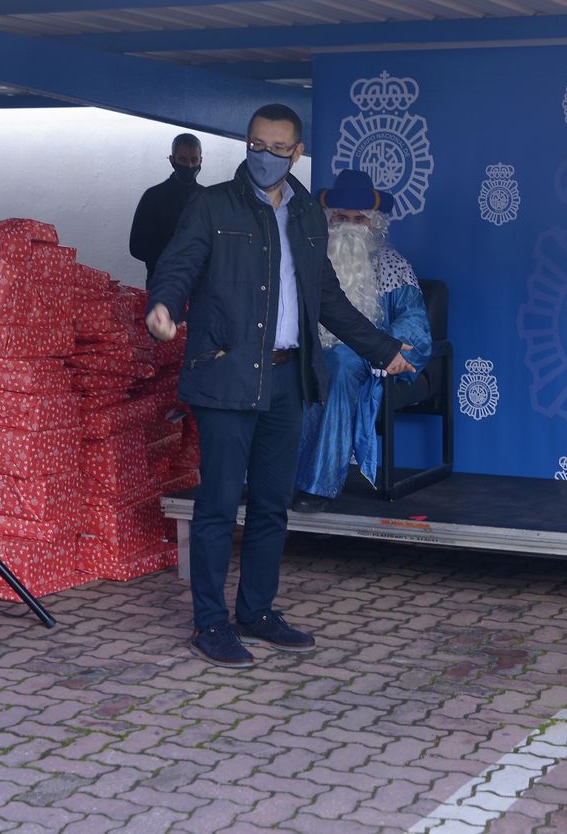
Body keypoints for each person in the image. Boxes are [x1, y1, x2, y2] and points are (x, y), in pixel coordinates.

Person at [146, 104, 417, 667]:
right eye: (256, 146)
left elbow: (328, 298)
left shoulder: (308, 214)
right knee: (220, 504)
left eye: (276, 148)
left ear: (296, 153)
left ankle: (256, 612)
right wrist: (164, 305)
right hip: (227, 372)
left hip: (289, 376)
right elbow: (179, 264)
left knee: (272, 504)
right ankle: (210, 624)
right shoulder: (213, 204)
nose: (264, 157)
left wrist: (383, 349)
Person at [292, 170, 433, 510]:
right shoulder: (310, 263)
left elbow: (414, 322)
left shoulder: (393, 266)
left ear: (374, 224)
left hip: (367, 362)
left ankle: (319, 485)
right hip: (312, 352)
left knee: (340, 363)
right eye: (341, 218)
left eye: (359, 219)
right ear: (328, 220)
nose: (350, 227)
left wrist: (387, 351)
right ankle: (271, 478)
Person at [129, 133, 204, 283]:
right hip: (162, 282)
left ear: (200, 161)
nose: (189, 165)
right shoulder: (153, 197)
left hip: (199, 285)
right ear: (172, 160)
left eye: (194, 160)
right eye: (183, 159)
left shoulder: (207, 199)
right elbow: (137, 246)